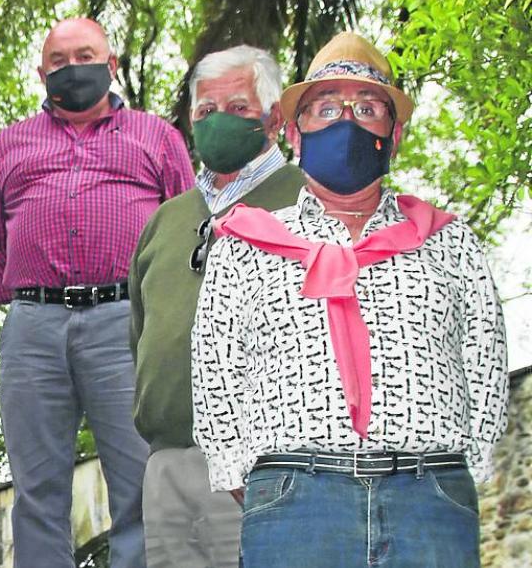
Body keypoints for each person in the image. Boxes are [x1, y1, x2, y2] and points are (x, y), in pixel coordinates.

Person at [191, 32, 509, 568]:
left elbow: (485, 360)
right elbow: (216, 374)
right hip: (296, 501)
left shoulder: (450, 242)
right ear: (295, 132)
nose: (347, 122)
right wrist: (258, 484)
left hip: (430, 499)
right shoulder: (245, 246)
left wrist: (457, 475)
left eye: (367, 109)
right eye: (327, 108)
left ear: (394, 134)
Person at [0, 17, 194, 568]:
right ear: (41, 73)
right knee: (36, 492)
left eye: (86, 55)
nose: (74, 69)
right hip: (33, 329)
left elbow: (189, 236)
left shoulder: (158, 138)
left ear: (112, 64)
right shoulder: (8, 146)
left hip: (126, 324)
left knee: (141, 482)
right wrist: (33, 296)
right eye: (59, 61)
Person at [128, 45, 304, 568]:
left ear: (272, 118)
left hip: (264, 468)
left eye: (238, 108)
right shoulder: (166, 220)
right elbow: (139, 336)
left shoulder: (308, 202)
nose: (218, 121)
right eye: (205, 111)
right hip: (166, 468)